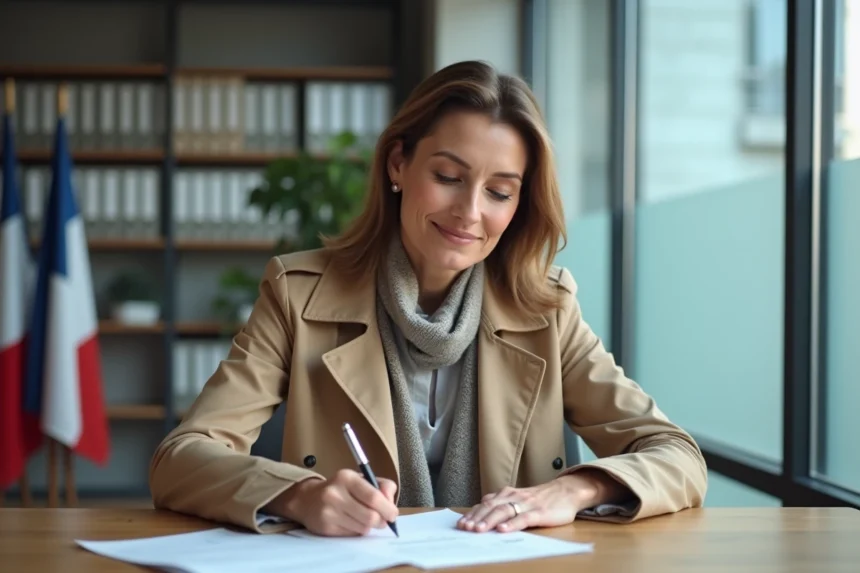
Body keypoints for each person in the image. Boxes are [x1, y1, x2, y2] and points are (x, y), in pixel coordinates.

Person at [148, 60, 707, 537]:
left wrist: (578, 488)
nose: (470, 212)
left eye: (499, 192)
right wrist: (300, 496)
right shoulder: (299, 295)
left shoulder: (547, 307)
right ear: (398, 164)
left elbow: (677, 456)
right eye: (448, 176)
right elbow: (181, 459)